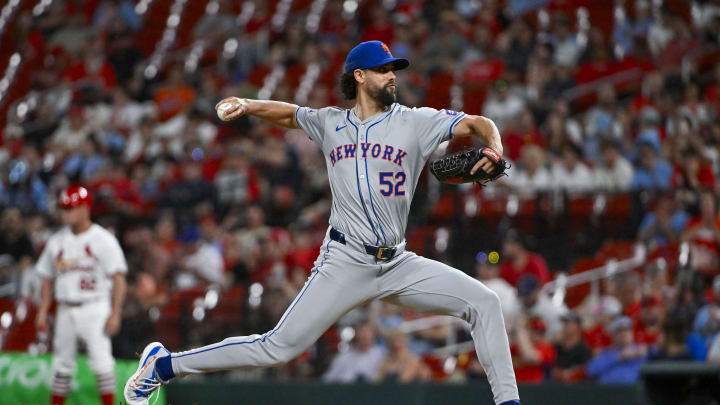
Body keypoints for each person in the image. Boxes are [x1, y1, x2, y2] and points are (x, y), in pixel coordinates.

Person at [124, 40, 521, 405]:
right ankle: (164, 365)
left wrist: (495, 147)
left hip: (398, 263)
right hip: (345, 260)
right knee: (277, 347)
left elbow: (476, 123)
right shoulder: (331, 122)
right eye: (384, 69)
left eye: (393, 69)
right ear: (360, 77)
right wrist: (247, 104)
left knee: (484, 302)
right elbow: (292, 115)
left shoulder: (417, 121)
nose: (392, 75)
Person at [34, 186, 128, 405]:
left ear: (85, 208)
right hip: (65, 307)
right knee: (62, 364)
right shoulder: (56, 241)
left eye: (71, 208)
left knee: (102, 363)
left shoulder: (103, 239)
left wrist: (115, 313)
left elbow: (118, 278)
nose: (66, 213)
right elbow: (47, 278)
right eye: (64, 208)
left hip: (95, 306)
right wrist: (42, 311)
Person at [586, 316, 648, 384]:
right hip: (607, 391)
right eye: (619, 331)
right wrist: (619, 357)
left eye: (627, 330)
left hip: (633, 391)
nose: (624, 334)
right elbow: (590, 371)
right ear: (612, 336)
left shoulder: (641, 350)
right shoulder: (607, 353)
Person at [553, 312, 592, 382]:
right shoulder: (557, 347)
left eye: (568, 323)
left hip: (574, 389)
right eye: (564, 323)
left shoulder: (584, 350)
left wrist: (571, 373)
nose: (565, 326)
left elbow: (586, 371)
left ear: (577, 326)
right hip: (554, 386)